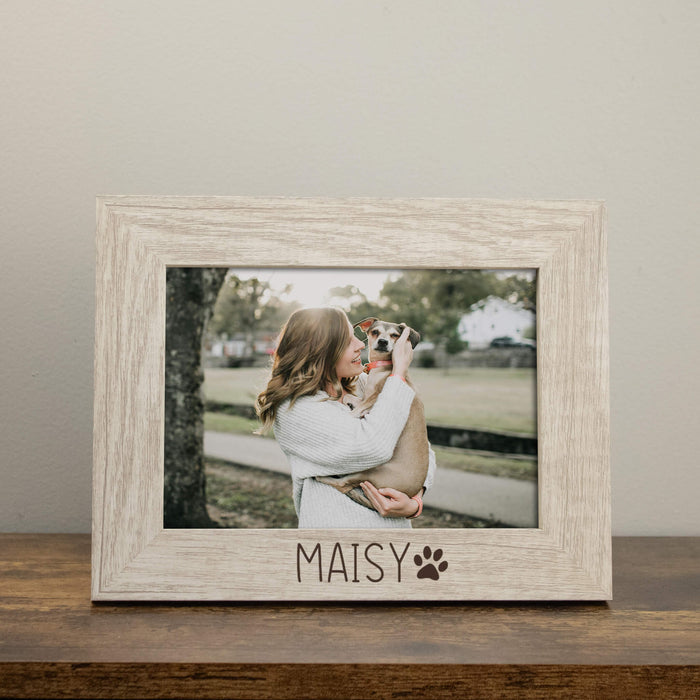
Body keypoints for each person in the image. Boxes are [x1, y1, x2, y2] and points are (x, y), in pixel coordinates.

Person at [255, 306, 436, 528]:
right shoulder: (295, 409)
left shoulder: (364, 386)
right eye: (348, 341)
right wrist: (398, 374)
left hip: (393, 538)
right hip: (337, 537)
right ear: (321, 350)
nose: (361, 344)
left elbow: (420, 447)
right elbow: (372, 447)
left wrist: (415, 502)